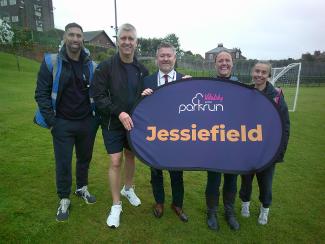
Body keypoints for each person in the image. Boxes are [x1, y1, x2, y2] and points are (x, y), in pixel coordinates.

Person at [34, 22, 99, 222]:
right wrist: (52, 122)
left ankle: (81, 188)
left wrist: (95, 120)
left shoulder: (91, 65)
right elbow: (41, 94)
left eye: (78, 36)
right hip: (61, 123)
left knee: (84, 159)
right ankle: (64, 198)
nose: (75, 39)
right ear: (64, 37)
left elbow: (99, 92)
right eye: (71, 35)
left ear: (82, 39)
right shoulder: (51, 62)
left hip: (87, 122)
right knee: (63, 162)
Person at [91, 23, 149, 228]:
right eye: (123, 38)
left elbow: (149, 96)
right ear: (118, 41)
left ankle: (128, 189)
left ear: (136, 42)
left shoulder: (142, 70)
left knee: (131, 156)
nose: (126, 42)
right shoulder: (105, 67)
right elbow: (97, 96)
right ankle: (116, 205)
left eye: (130, 39)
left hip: (134, 124)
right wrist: (119, 112)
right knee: (116, 161)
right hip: (111, 122)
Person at [141, 42, 189, 222]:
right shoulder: (147, 81)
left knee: (177, 173)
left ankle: (177, 204)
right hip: (155, 137)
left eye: (169, 55)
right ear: (157, 59)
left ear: (175, 58)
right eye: (162, 56)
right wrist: (142, 97)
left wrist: (191, 88)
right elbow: (141, 111)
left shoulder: (186, 80)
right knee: (156, 172)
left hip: (178, 137)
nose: (166, 59)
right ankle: (159, 202)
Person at [239, 61, 290, 225]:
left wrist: (278, 153)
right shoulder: (244, 93)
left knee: (265, 183)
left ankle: (264, 210)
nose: (259, 75)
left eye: (263, 72)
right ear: (252, 72)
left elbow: (285, 126)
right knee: (246, 180)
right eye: (257, 71)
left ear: (268, 75)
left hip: (268, 150)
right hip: (248, 149)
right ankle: (244, 204)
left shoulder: (276, 95)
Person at [205, 51, 240, 231]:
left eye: (227, 60)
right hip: (213, 144)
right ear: (215, 64)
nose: (224, 63)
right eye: (220, 60)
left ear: (232, 64)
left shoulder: (241, 87)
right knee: (213, 179)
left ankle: (229, 212)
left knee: (232, 180)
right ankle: (211, 212)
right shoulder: (208, 86)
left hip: (233, 143)